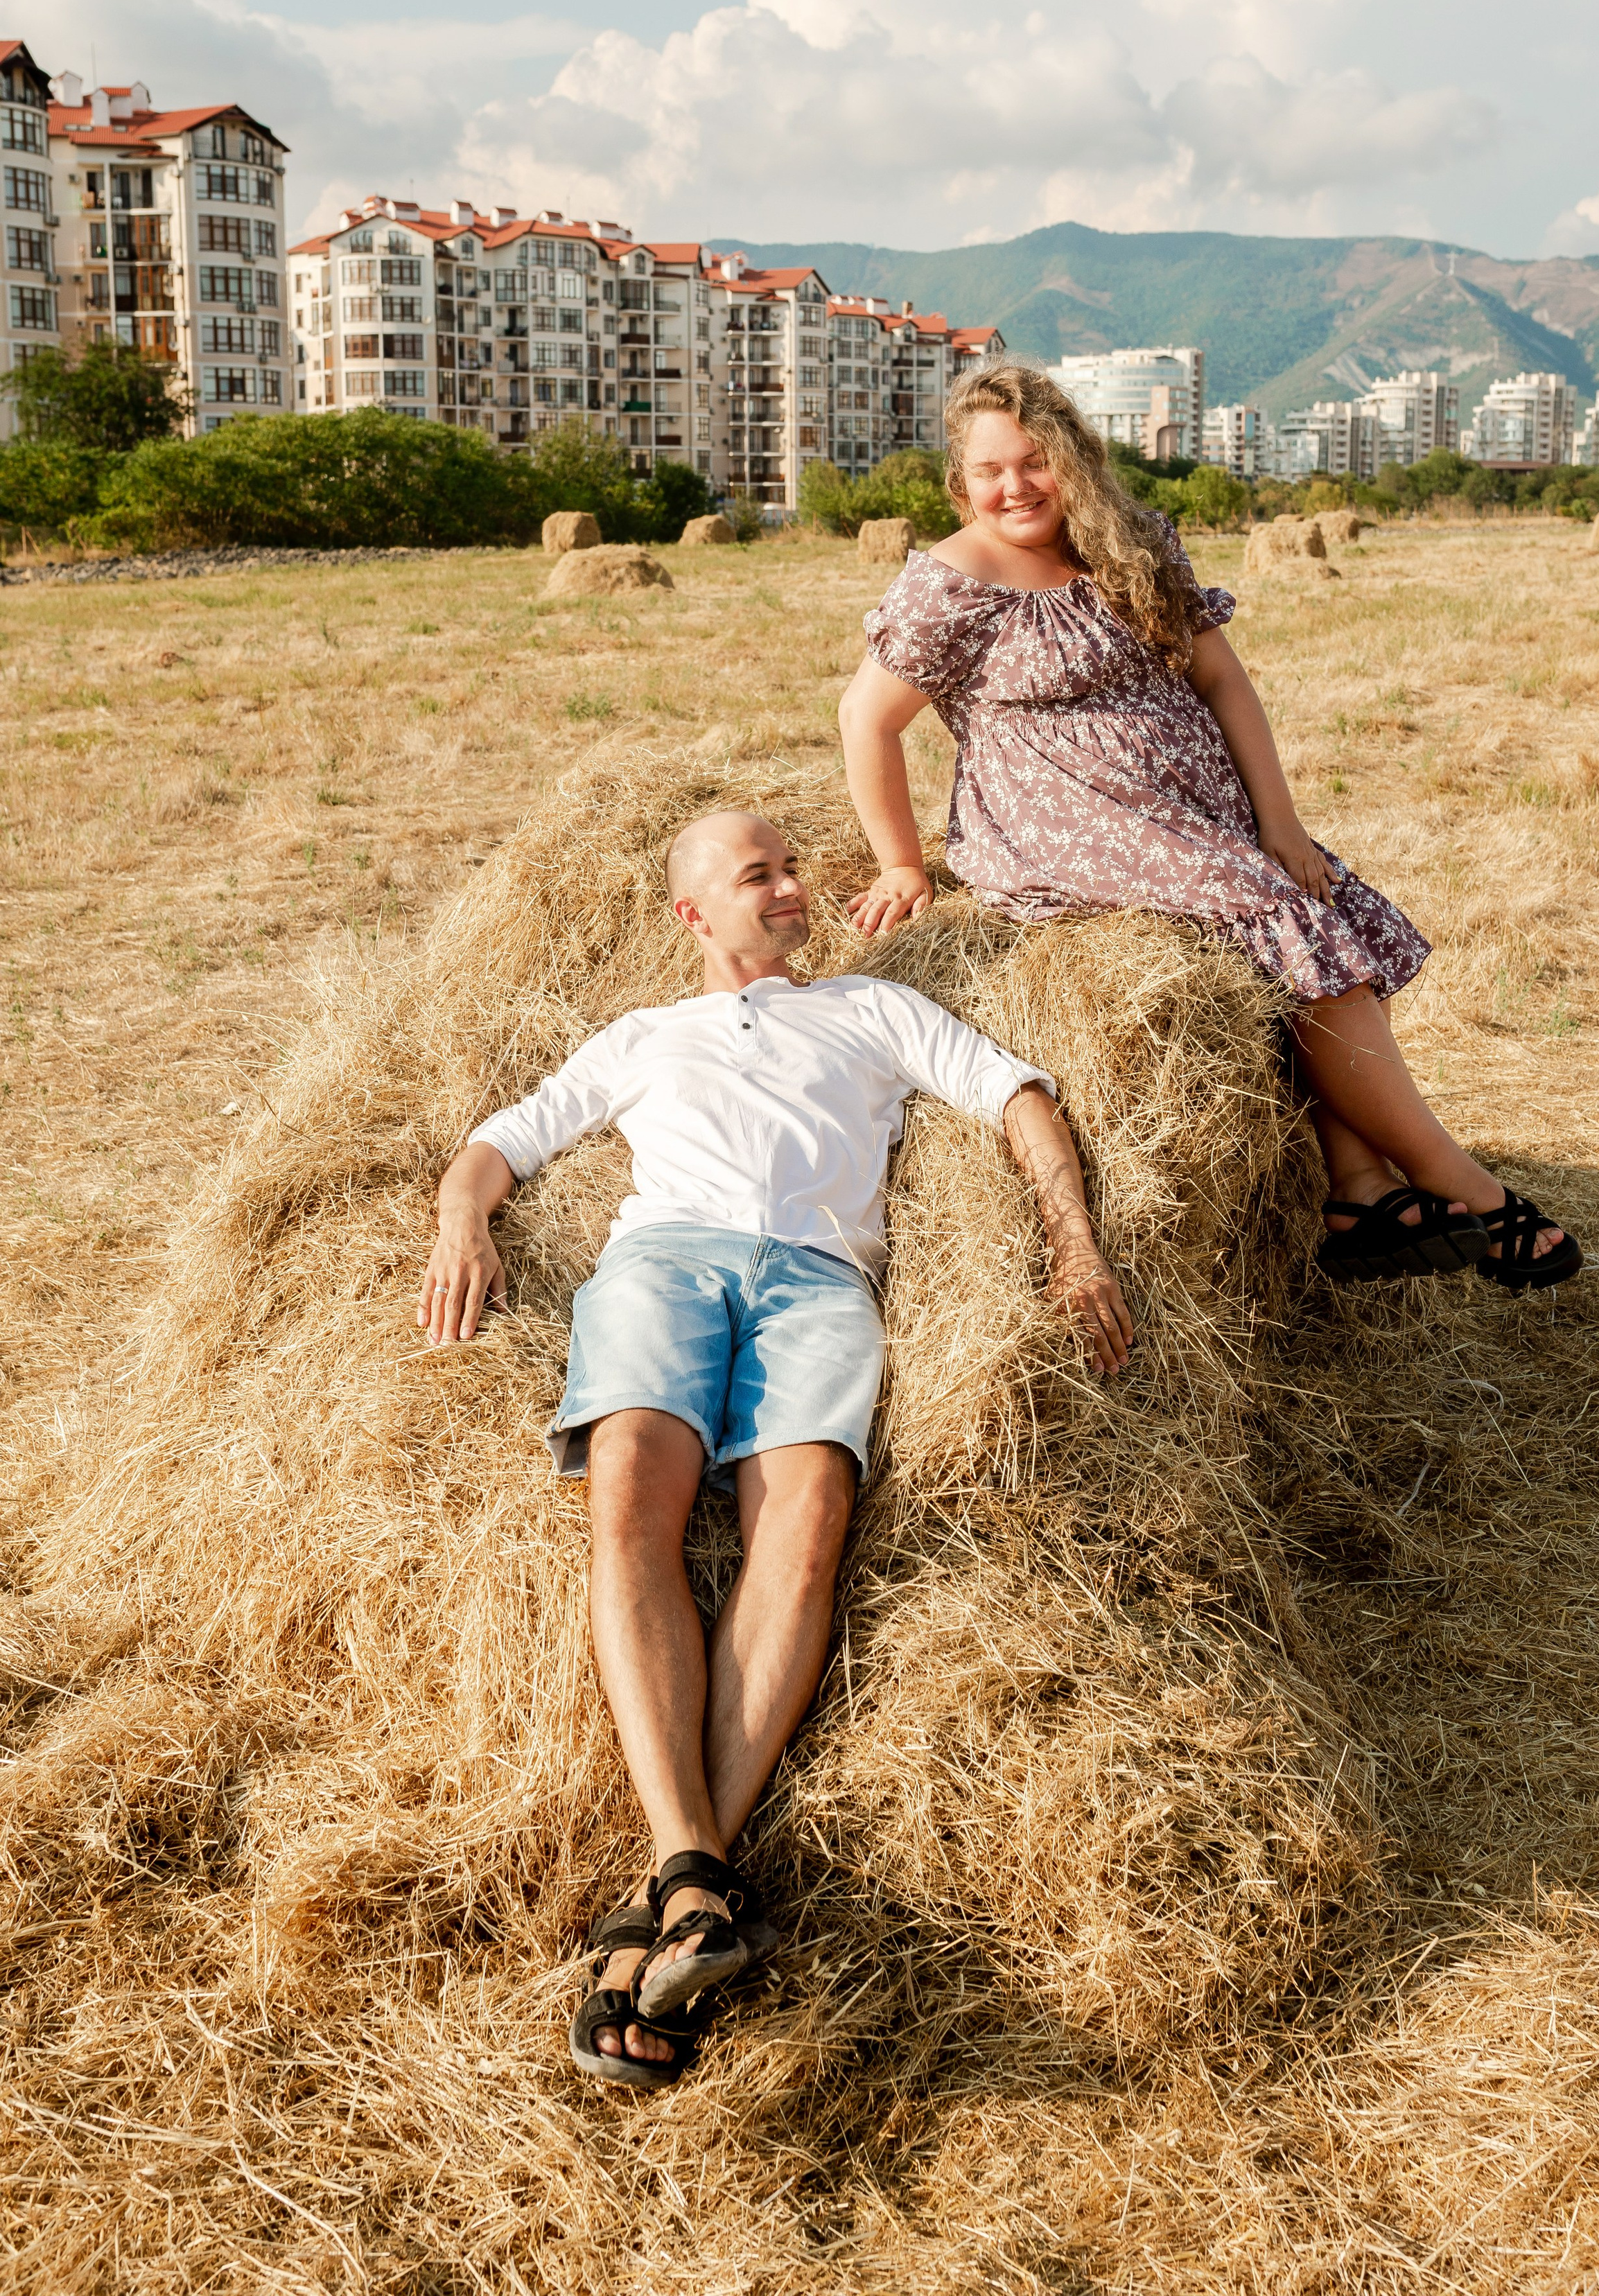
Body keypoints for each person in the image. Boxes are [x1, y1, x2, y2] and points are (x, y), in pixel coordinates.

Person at [417, 807, 1132, 2089]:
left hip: (818, 1282)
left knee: (801, 1535)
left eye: (794, 868)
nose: (796, 888)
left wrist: (1071, 1239)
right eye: (763, 876)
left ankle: (677, 1897)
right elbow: (501, 1144)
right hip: (663, 1264)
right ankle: (697, 1879)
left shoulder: (869, 1009)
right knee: (633, 1494)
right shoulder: (645, 1039)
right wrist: (461, 1222)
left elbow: (1020, 1096)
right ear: (694, 915)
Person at [837, 360, 1580, 1298]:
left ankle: (1354, 1191)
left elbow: (1222, 681)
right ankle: (1457, 1181)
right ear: (961, 483)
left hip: (1194, 815)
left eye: (1034, 462)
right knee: (1275, 913)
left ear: (1076, 462)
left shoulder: (1129, 544)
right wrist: (901, 863)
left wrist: (1281, 823)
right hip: (1062, 823)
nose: (1013, 486)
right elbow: (867, 718)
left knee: (1315, 898)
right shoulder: (954, 579)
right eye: (989, 471)